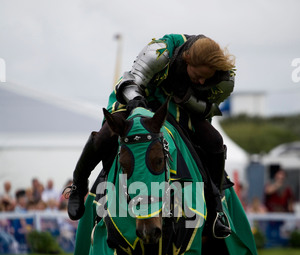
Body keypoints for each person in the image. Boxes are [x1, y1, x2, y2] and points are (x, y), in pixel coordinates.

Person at [64, 34, 236, 238]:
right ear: (187, 58)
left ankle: (215, 208)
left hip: (180, 108)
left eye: (206, 78)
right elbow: (131, 82)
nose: (202, 81)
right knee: (105, 136)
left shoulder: (225, 79)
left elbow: (209, 110)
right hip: (139, 97)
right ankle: (78, 186)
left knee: (215, 142)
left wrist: (186, 98)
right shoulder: (160, 51)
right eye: (198, 75)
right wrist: (137, 103)